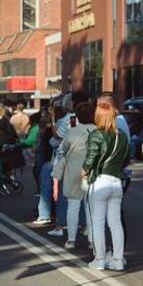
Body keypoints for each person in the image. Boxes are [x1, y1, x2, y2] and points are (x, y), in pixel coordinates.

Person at [81, 101, 130, 271]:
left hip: (100, 181)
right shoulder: (122, 136)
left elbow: (90, 158)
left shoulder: (96, 134)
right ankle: (118, 260)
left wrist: (83, 171)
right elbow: (126, 159)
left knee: (98, 222)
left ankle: (99, 259)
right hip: (116, 181)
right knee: (115, 223)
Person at [51, 102, 95, 249]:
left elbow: (62, 149)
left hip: (72, 171)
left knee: (73, 206)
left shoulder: (71, 132)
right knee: (91, 207)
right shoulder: (97, 131)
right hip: (91, 171)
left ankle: (71, 240)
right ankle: (92, 240)